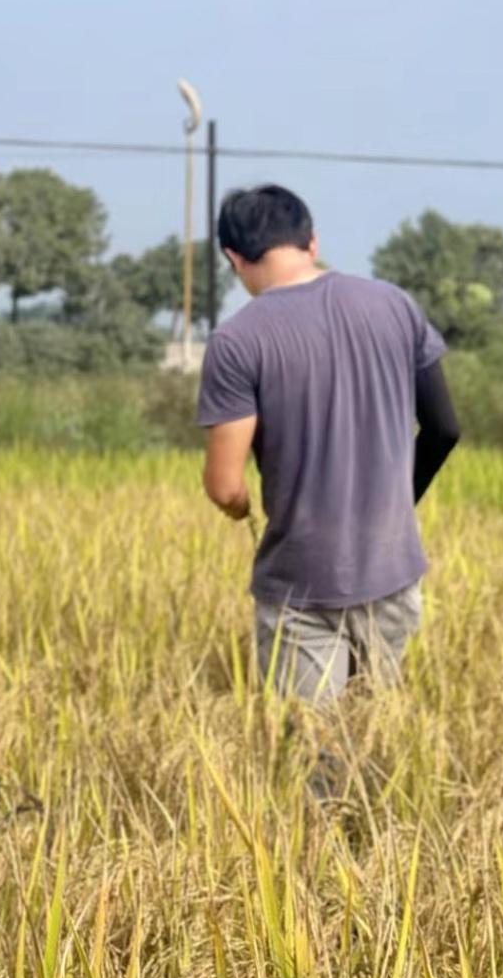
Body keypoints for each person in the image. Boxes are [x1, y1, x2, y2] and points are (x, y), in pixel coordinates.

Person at [196, 184, 458, 702]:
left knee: (313, 756)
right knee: (373, 743)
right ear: (311, 243)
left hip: (303, 581)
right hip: (394, 567)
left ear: (234, 257)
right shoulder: (394, 305)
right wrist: (397, 504)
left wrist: (242, 509)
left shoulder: (237, 341)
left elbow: (225, 487)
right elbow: (445, 429)